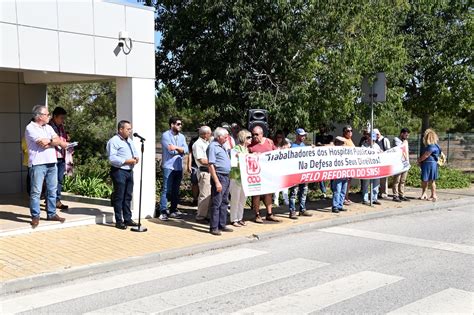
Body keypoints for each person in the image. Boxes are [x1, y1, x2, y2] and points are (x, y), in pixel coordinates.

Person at [25, 105, 67, 228]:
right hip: (38, 164)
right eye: (47, 114)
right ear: (39, 116)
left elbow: (58, 140)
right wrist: (52, 142)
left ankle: (52, 214)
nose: (49, 116)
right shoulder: (30, 128)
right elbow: (43, 143)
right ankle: (35, 216)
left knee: (52, 190)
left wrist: (52, 142)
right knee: (36, 192)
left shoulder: (48, 127)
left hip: (51, 163)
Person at [106, 120, 140, 229]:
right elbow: (112, 158)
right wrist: (126, 161)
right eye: (128, 129)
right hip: (119, 171)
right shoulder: (113, 141)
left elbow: (134, 152)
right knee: (119, 196)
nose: (130, 131)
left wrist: (136, 157)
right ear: (121, 129)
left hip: (129, 171)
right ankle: (119, 221)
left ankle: (128, 219)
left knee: (128, 196)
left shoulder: (129, 140)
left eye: (130, 129)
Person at [248, 126, 281, 223]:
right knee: (256, 194)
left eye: (256, 134)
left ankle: (269, 214)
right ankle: (257, 215)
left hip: (268, 173)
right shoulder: (250, 144)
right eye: (253, 134)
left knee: (268, 193)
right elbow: (245, 156)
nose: (254, 136)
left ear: (262, 134)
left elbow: (277, 153)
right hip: (256, 174)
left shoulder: (269, 142)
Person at [159, 117, 188, 220]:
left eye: (181, 124)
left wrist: (176, 148)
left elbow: (186, 150)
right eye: (178, 124)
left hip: (178, 167)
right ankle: (163, 211)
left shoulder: (182, 137)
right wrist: (180, 150)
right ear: (172, 125)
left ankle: (173, 210)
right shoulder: (165, 135)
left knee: (176, 190)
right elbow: (170, 151)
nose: (180, 126)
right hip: (169, 166)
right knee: (166, 189)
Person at [207, 127, 233, 235]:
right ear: (219, 137)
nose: (227, 139)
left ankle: (222, 224)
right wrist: (216, 181)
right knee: (217, 202)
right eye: (225, 137)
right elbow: (211, 165)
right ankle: (213, 227)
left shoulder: (222, 146)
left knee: (224, 201)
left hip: (226, 176)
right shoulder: (213, 146)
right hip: (220, 176)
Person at [288, 128, 313, 219]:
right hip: (295, 172)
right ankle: (292, 210)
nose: (303, 137)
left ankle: (302, 209)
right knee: (294, 192)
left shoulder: (304, 146)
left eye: (304, 135)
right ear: (297, 135)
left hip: (303, 172)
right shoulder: (292, 146)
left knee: (304, 191)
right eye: (301, 135)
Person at [48, 107, 70, 210]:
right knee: (51, 181)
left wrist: (67, 139)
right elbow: (49, 141)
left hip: (61, 156)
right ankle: (50, 202)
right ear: (54, 116)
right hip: (52, 157)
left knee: (59, 180)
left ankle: (57, 200)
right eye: (61, 118)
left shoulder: (61, 127)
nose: (62, 120)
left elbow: (62, 139)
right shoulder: (48, 127)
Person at [229, 129, 252, 227]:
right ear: (243, 138)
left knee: (243, 199)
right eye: (248, 137)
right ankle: (234, 219)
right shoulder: (236, 148)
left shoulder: (247, 149)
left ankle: (240, 217)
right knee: (235, 199)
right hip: (236, 177)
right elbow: (234, 162)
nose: (251, 139)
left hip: (244, 177)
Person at [192, 126, 212, 222]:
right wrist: (214, 162)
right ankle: (200, 216)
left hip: (210, 170)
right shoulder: (198, 144)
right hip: (204, 171)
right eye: (210, 133)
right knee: (204, 195)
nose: (211, 135)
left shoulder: (207, 143)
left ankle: (207, 214)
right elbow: (201, 160)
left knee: (209, 195)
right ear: (205, 134)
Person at [417, 128, 440, 202]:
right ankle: (426, 194)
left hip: (429, 164)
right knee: (428, 180)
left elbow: (426, 155)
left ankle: (433, 195)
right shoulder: (435, 145)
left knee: (428, 180)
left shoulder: (431, 146)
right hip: (431, 164)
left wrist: (419, 160)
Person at [360, 136, 382, 206]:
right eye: (370, 139)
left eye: (373, 139)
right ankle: (365, 199)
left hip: (376, 168)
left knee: (376, 183)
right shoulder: (364, 146)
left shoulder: (376, 146)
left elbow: (381, 154)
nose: (372, 140)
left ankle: (374, 198)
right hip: (367, 168)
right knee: (366, 184)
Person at [392, 128, 411, 202]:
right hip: (398, 164)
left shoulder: (405, 141)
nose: (407, 137)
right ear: (402, 133)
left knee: (403, 180)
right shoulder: (396, 139)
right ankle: (395, 195)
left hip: (405, 163)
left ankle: (401, 194)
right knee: (397, 180)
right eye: (406, 135)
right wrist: (405, 142)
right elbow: (400, 148)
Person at [273, 130, 290, 206]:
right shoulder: (273, 145)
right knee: (277, 184)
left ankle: (285, 200)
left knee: (285, 184)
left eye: (280, 137)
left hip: (285, 166)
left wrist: (286, 148)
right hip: (276, 167)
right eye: (277, 137)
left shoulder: (287, 144)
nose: (279, 138)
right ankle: (275, 201)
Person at [331, 137, 348, 213]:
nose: (343, 144)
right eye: (341, 143)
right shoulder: (333, 151)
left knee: (343, 190)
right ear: (337, 143)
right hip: (337, 173)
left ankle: (340, 205)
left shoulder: (345, 151)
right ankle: (335, 206)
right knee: (337, 190)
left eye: (343, 143)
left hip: (345, 173)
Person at [374, 128, 391, 199]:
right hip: (378, 162)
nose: (376, 136)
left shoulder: (385, 140)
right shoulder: (375, 141)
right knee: (378, 179)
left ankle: (384, 193)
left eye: (377, 135)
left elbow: (388, 150)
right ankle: (379, 192)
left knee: (384, 179)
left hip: (384, 161)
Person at [341, 125, 355, 205]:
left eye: (351, 131)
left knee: (348, 182)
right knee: (345, 182)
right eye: (348, 131)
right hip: (345, 164)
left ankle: (346, 197)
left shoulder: (350, 140)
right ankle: (343, 199)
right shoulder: (343, 140)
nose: (350, 132)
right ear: (344, 132)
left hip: (351, 164)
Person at [187, 132, 200, 207]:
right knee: (195, 183)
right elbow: (190, 154)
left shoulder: (208, 140)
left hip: (204, 165)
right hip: (194, 165)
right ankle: (195, 199)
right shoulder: (193, 140)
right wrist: (188, 165)